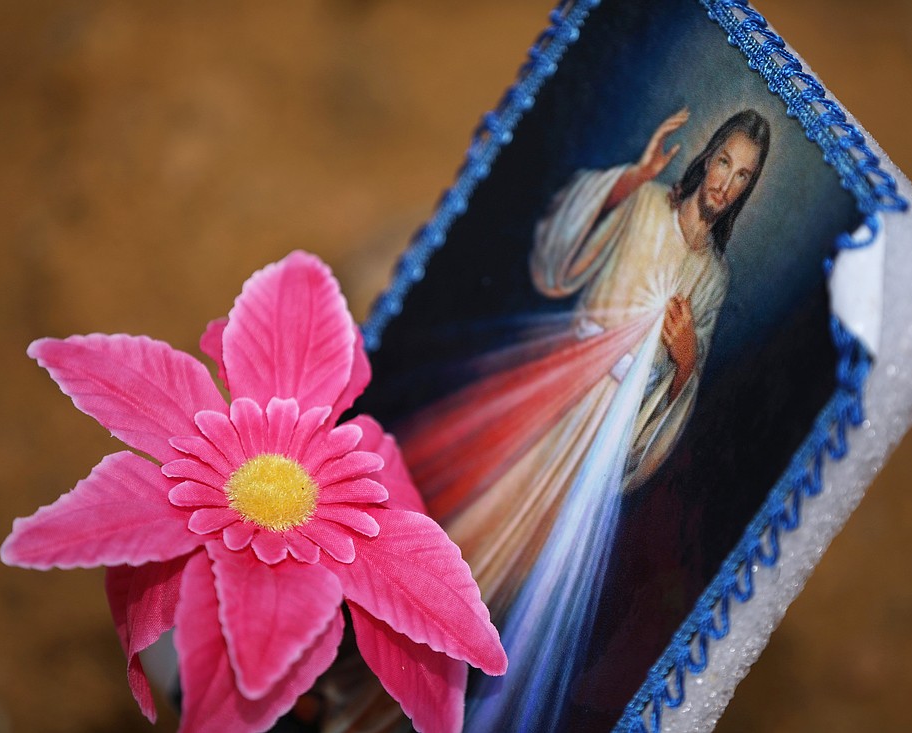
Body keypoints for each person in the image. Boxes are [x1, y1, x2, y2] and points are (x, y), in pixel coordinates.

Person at [325, 109, 771, 732]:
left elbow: (682, 392)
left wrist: (686, 359)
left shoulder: (713, 278)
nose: (727, 180)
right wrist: (631, 177)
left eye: (744, 174)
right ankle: (338, 672)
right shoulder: (644, 206)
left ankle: (397, 715)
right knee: (467, 538)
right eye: (724, 160)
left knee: (505, 589)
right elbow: (563, 250)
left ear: (750, 188)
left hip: (602, 443)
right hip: (553, 397)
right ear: (707, 157)